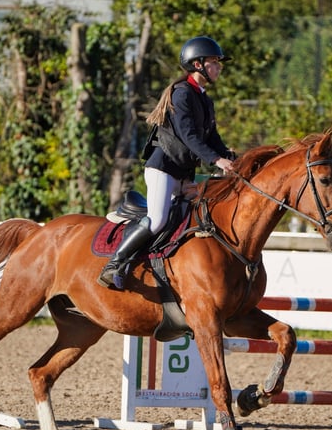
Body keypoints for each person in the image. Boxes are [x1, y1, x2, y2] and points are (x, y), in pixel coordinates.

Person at [98, 35, 237, 289]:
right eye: (215, 62)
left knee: (191, 220)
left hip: (183, 172)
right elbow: (189, 136)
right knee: (159, 220)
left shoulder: (204, 98)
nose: (219, 67)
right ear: (198, 64)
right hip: (163, 169)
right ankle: (115, 264)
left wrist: (231, 158)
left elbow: (212, 137)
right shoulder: (182, 94)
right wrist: (216, 160)